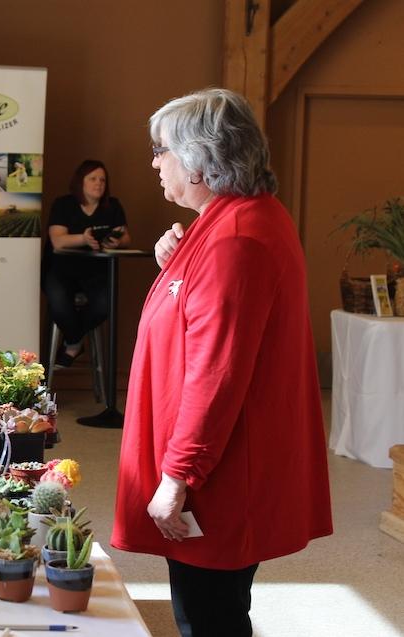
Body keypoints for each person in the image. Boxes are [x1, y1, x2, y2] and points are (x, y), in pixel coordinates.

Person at [111, 88, 332, 636]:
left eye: (161, 150)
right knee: (214, 610)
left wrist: (178, 475)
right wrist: (174, 262)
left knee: (209, 618)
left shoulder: (235, 237)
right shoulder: (224, 222)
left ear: (200, 160)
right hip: (224, 462)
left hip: (220, 473)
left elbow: (216, 373)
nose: (154, 163)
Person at [43, 159, 131, 367]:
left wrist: (116, 240)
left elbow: (127, 238)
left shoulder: (113, 206)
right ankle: (75, 343)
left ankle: (72, 341)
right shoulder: (64, 204)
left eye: (102, 179)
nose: (99, 183)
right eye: (93, 178)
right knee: (59, 302)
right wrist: (83, 239)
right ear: (80, 182)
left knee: (106, 304)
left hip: (96, 272)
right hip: (61, 270)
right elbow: (58, 240)